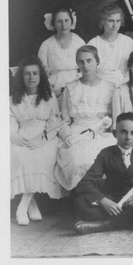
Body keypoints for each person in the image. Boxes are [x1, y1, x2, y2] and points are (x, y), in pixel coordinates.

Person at [73, 112, 133, 235]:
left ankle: (107, 225)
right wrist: (103, 201)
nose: (128, 137)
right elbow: (85, 183)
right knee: (81, 204)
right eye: (123, 132)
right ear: (115, 133)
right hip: (113, 204)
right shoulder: (106, 153)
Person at [11, 57, 65, 226]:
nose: (31, 77)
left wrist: (41, 141)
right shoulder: (12, 99)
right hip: (21, 137)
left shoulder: (49, 98)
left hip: (45, 138)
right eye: (27, 74)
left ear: (41, 76)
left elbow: (54, 124)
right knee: (16, 155)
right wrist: (15, 137)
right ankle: (31, 205)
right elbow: (9, 123)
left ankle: (22, 206)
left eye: (35, 73)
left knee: (39, 157)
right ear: (21, 77)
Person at [55, 46, 115, 191]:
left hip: (102, 133)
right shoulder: (71, 88)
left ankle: (104, 196)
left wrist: (110, 122)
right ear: (77, 64)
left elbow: (116, 117)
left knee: (108, 159)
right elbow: (64, 119)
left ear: (97, 62)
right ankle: (83, 196)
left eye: (89, 60)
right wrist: (67, 135)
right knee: (78, 159)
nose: (85, 65)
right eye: (81, 62)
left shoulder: (110, 87)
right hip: (78, 133)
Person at [37, 7, 85, 102]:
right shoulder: (46, 45)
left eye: (66, 20)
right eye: (59, 21)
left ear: (71, 22)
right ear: (54, 24)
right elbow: (41, 72)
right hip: (54, 87)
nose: (64, 25)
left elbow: (85, 67)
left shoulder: (79, 42)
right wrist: (52, 90)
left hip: (77, 86)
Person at [88, 4, 133, 87]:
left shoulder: (128, 42)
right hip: (99, 86)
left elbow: (131, 69)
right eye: (111, 21)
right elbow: (89, 70)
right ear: (103, 21)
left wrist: (123, 85)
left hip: (123, 85)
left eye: (118, 21)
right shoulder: (93, 43)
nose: (115, 25)